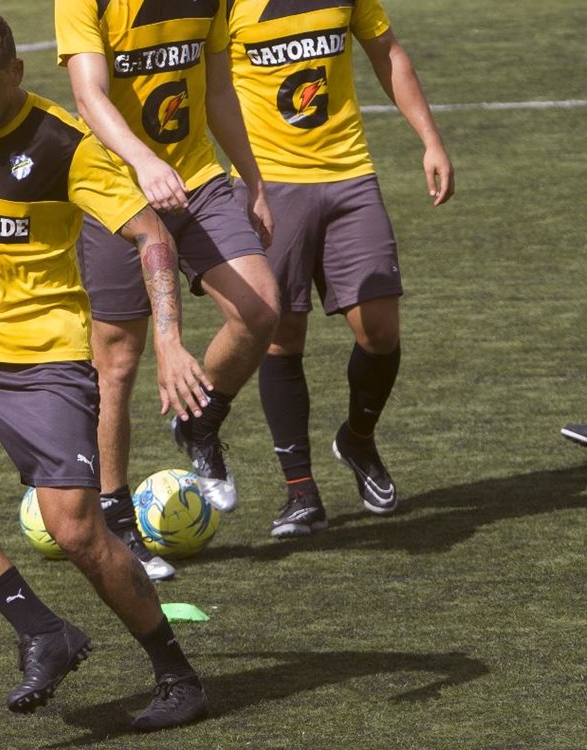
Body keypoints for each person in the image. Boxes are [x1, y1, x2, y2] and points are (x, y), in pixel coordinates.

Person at [0, 7, 210, 731]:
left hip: (44, 365)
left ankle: (177, 674)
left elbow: (151, 235)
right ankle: (41, 631)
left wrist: (173, 342)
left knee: (76, 530)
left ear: (16, 73)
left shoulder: (67, 144)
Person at [55, 0, 282, 579]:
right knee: (119, 361)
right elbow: (89, 96)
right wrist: (143, 162)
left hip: (198, 179)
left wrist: (252, 179)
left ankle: (199, 422)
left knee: (260, 311)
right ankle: (115, 518)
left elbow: (220, 91)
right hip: (115, 189)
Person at [223, 0, 455, 537]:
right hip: (270, 185)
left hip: (350, 176)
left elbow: (387, 51)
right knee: (282, 336)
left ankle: (357, 438)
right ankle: (300, 491)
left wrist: (431, 140)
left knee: (380, 331)